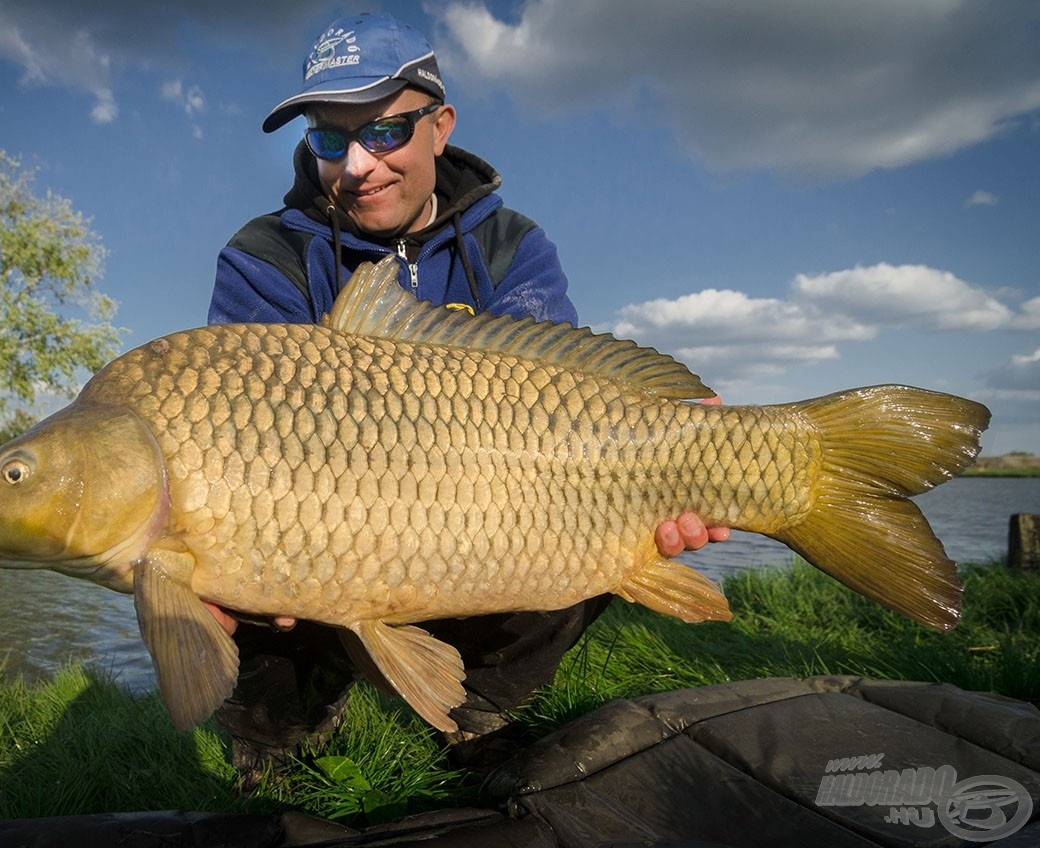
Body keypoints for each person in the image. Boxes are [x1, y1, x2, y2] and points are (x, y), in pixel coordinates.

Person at [208, 11, 726, 773]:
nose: (356, 165)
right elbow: (232, 442)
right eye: (329, 138)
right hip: (327, 531)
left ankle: (474, 714)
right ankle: (288, 725)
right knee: (250, 544)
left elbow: (561, 401)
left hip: (485, 520)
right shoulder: (266, 256)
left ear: (440, 125)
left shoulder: (510, 244)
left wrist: (671, 457)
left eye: (383, 132)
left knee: (590, 527)